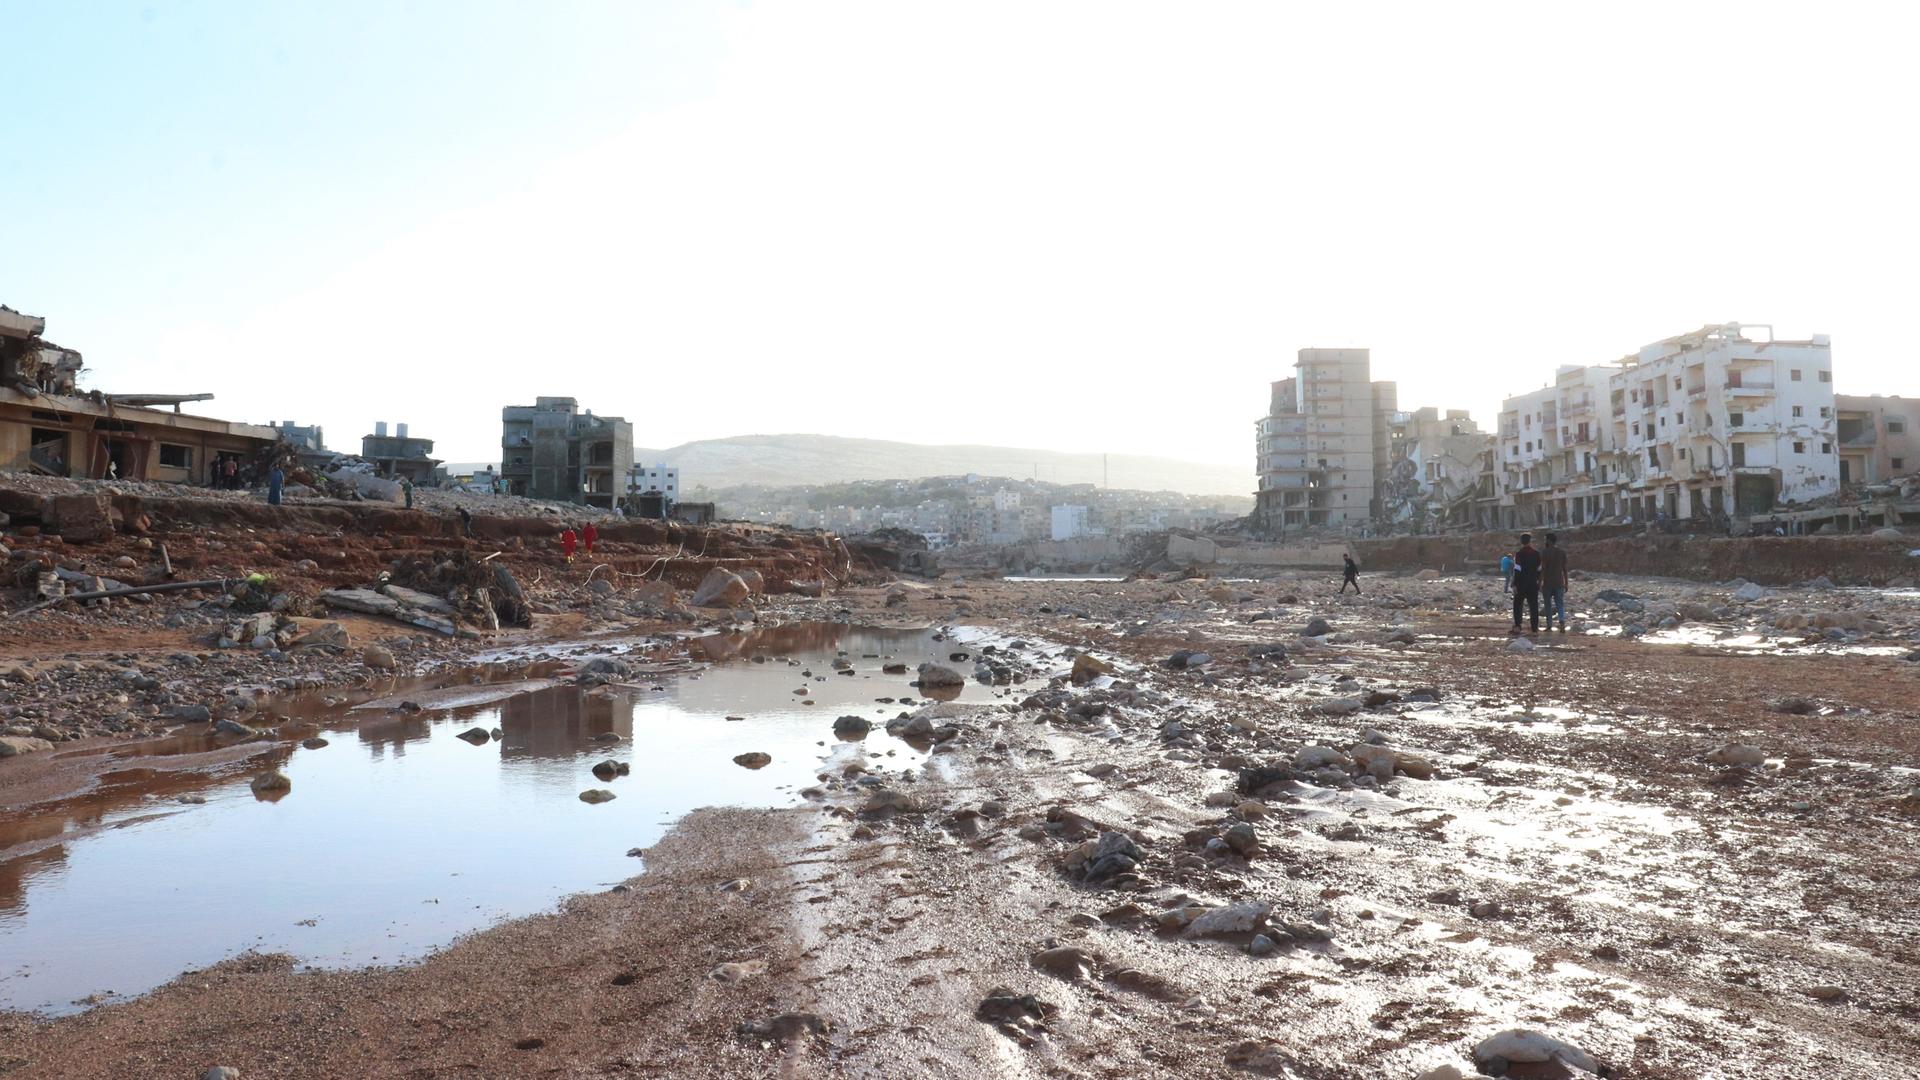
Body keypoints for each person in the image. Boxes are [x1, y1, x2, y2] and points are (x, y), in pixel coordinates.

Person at [1509, 532, 1542, 635]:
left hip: (1521, 584)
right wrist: (1538, 580)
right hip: (1532, 583)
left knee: (1518, 605)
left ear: (1521, 542)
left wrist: (1514, 583)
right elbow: (1539, 569)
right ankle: (1534, 629)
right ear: (1530, 541)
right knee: (1533, 606)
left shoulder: (1519, 554)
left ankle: (1518, 626)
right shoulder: (1536, 554)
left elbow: (1517, 570)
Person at [1540, 531, 1569, 632]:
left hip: (1547, 583)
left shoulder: (1544, 552)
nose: (1544, 541)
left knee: (1548, 605)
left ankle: (1549, 625)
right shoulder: (1561, 552)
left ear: (1548, 540)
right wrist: (1566, 583)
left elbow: (1543, 569)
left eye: (1545, 539)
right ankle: (1561, 622)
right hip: (1559, 582)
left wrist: (1540, 582)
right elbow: (1565, 569)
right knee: (1560, 604)